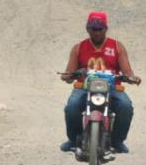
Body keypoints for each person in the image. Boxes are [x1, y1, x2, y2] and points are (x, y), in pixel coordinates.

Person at [60, 11, 141, 154]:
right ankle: (74, 140)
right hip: (85, 88)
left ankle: (117, 141)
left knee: (125, 106)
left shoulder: (117, 47)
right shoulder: (78, 48)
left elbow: (128, 72)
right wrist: (69, 75)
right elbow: (68, 74)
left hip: (112, 88)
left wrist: (131, 78)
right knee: (72, 107)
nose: (96, 33)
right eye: (93, 29)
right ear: (87, 29)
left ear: (106, 29)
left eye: (100, 29)